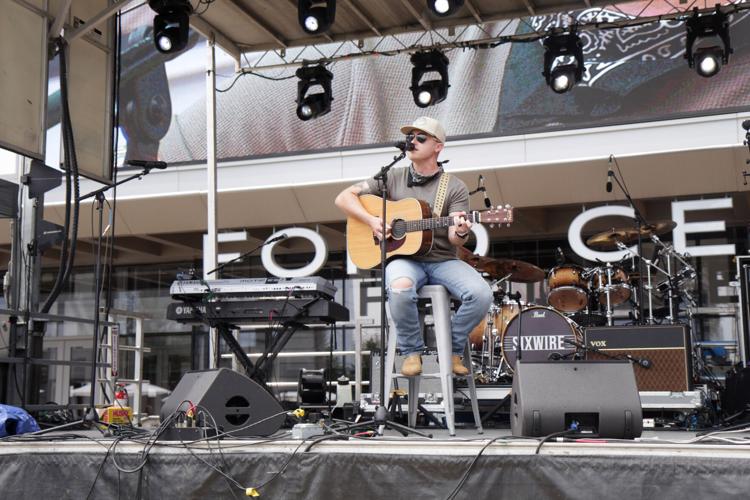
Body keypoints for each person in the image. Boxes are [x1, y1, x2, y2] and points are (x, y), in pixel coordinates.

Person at [335, 116, 493, 376]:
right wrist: (372, 221)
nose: (413, 142)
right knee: (399, 287)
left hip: (443, 260)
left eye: (421, 138)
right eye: (411, 137)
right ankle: (411, 352)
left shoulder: (454, 187)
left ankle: (451, 350)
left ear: (438, 146)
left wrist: (462, 231)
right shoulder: (391, 177)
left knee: (481, 294)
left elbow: (455, 237)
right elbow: (343, 197)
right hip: (405, 260)